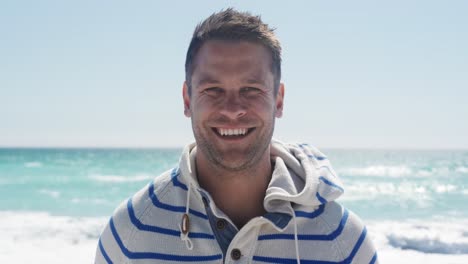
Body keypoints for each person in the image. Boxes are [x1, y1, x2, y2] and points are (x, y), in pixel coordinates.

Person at [95, 8, 378, 264]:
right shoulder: (131, 233)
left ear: (278, 100)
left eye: (251, 90)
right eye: (213, 90)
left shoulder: (344, 244)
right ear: (187, 99)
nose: (232, 110)